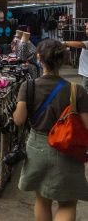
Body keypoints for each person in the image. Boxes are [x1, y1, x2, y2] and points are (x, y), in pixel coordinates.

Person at [13, 39, 88, 221]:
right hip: (68, 149)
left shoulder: (28, 86)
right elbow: (87, 125)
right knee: (68, 203)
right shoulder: (76, 90)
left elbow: (18, 119)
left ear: (39, 59)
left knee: (42, 199)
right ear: (62, 61)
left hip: (37, 148)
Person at [63, 22, 88, 94]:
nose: (87, 31)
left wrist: (64, 43)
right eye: (86, 29)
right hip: (84, 72)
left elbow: (81, 44)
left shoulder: (85, 43)